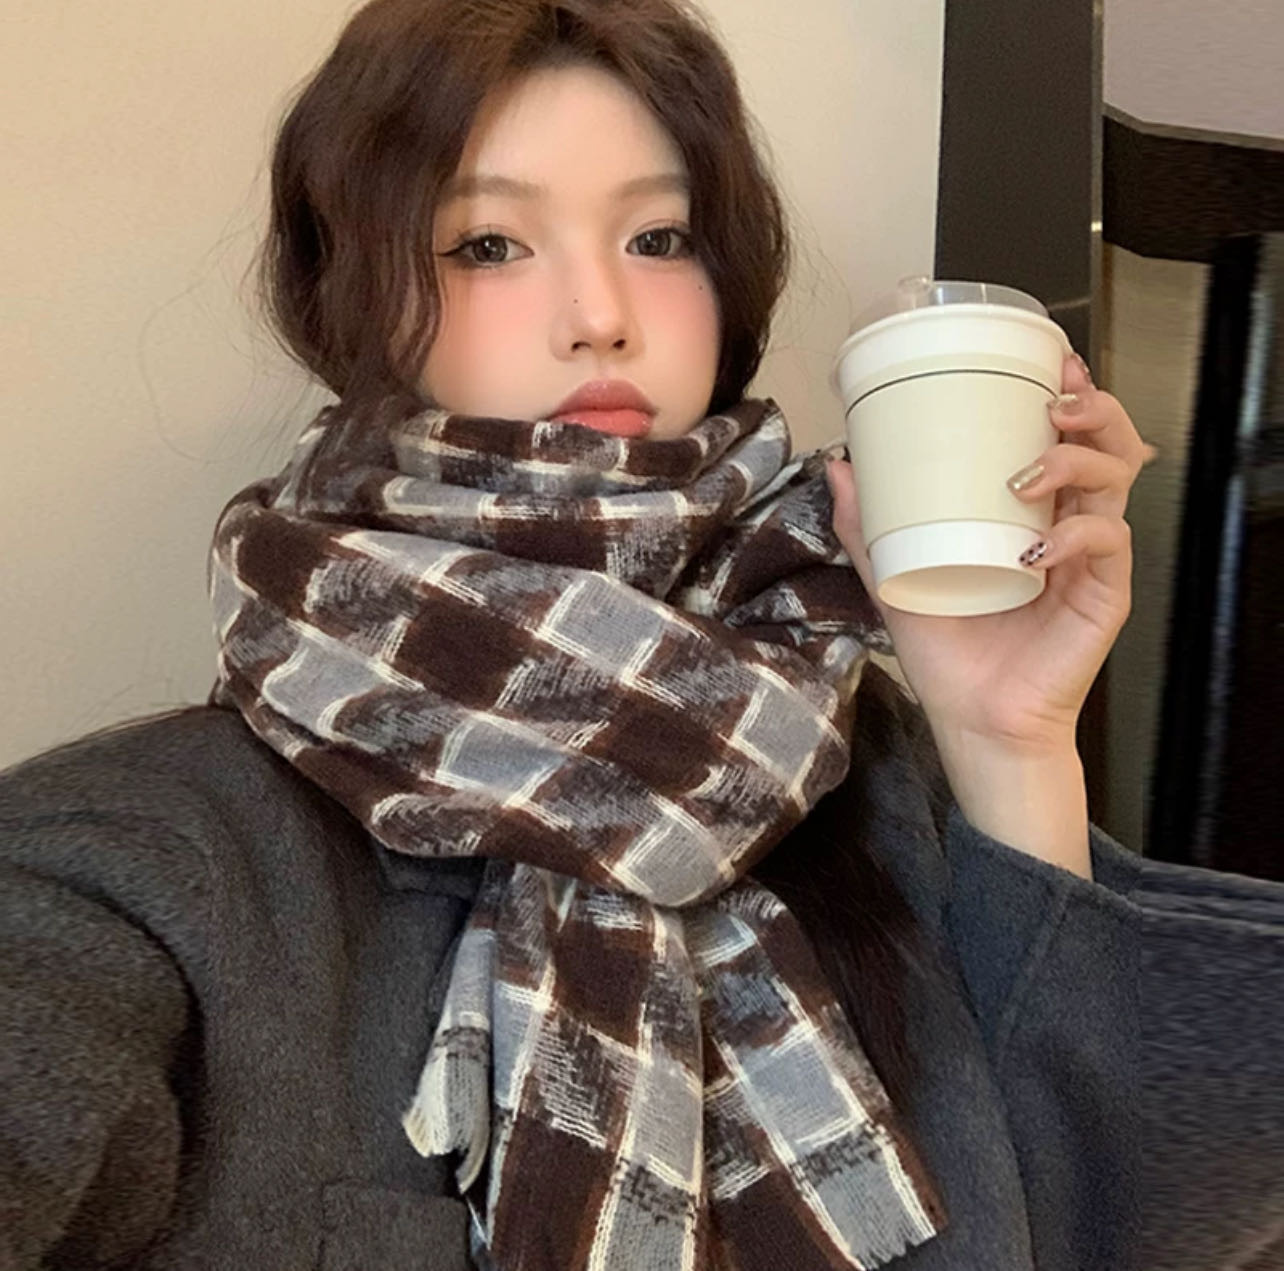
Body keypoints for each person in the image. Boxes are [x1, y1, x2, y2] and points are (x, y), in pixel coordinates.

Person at [2, 1, 1282, 1269]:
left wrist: (1010, 737)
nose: (601, 312)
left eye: (660, 236)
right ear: (357, 298)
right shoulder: (155, 856)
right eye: (489, 243)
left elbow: (1109, 1219)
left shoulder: (877, 775)